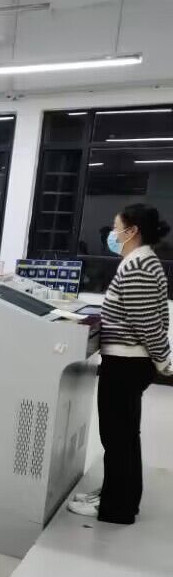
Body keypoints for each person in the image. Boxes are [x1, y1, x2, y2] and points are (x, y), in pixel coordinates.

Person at [69, 204, 173, 524]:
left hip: (127, 363)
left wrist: (164, 361)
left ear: (132, 231)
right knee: (123, 434)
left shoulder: (139, 266)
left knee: (118, 437)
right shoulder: (140, 261)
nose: (112, 234)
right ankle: (114, 494)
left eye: (116, 228)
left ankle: (118, 508)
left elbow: (147, 323)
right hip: (126, 361)